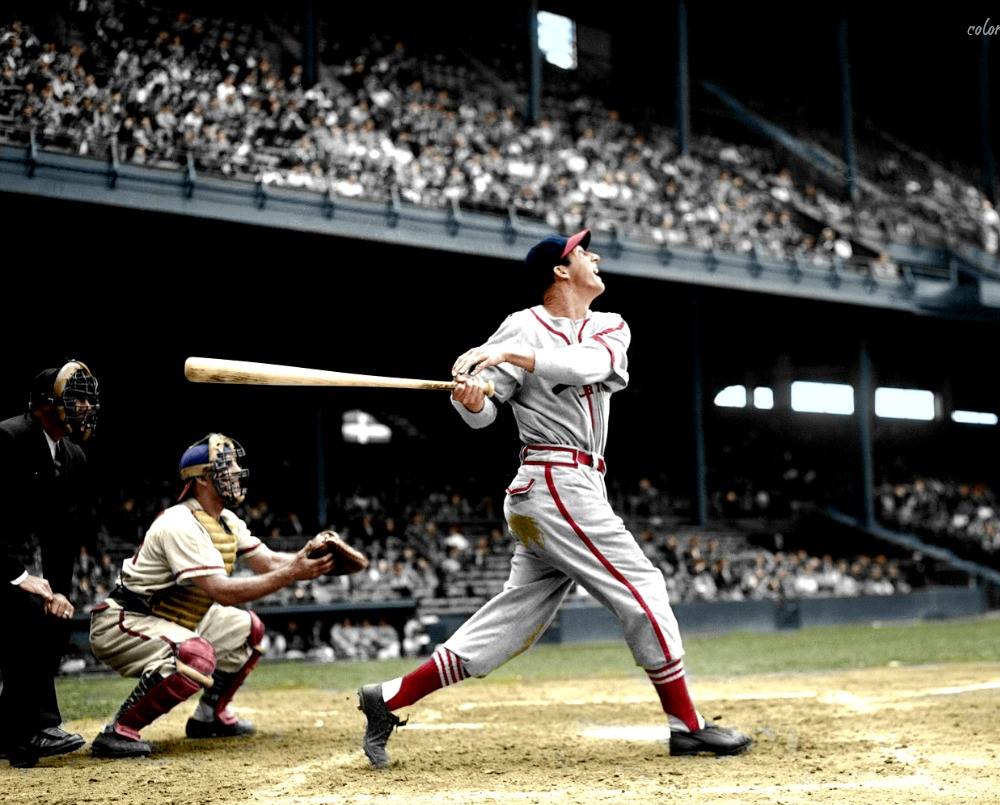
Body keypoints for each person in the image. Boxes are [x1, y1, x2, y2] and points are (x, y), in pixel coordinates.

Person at [357, 228, 752, 767]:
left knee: (515, 622)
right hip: (551, 478)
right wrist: (471, 398)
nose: (594, 255)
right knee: (642, 586)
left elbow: (585, 366)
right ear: (560, 271)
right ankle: (686, 726)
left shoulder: (608, 326)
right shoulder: (521, 325)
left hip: (571, 487)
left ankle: (388, 698)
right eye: (582, 251)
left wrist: (505, 354)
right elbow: (485, 414)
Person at [88, 433, 334, 757]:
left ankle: (210, 716)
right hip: (127, 619)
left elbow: (269, 561)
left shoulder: (227, 520)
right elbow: (222, 591)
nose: (235, 471)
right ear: (203, 479)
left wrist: (315, 558)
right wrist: (294, 572)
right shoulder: (180, 523)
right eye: (226, 465)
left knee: (250, 631)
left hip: (176, 619)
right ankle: (119, 730)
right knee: (197, 656)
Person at [0, 361, 99, 767]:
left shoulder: (73, 456)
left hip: (29, 568)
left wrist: (57, 591)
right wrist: (20, 578)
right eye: (76, 399)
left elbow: (63, 535)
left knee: (51, 623)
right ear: (45, 404)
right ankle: (38, 726)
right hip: (3, 567)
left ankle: (14, 734)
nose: (87, 408)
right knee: (26, 615)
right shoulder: (8, 438)